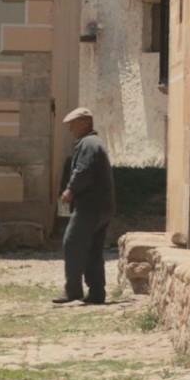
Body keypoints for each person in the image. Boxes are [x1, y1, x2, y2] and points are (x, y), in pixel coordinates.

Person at [53, 107, 116, 305]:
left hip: (89, 207)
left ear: (84, 123)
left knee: (72, 244)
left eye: (73, 124)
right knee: (93, 250)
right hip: (103, 207)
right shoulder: (93, 143)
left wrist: (70, 190)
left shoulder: (88, 144)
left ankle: (73, 290)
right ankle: (97, 292)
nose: (71, 128)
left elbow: (83, 171)